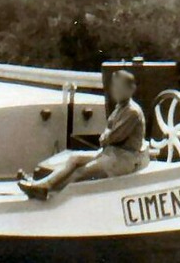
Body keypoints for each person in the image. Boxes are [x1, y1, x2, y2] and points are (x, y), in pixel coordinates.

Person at [18, 70, 149, 200]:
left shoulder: (132, 112)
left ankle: (47, 189)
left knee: (81, 171)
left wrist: (106, 137)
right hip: (110, 153)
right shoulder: (120, 107)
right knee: (74, 159)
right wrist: (106, 136)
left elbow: (112, 137)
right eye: (114, 86)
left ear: (130, 89)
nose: (115, 90)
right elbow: (107, 134)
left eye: (119, 87)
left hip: (123, 159)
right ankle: (41, 183)